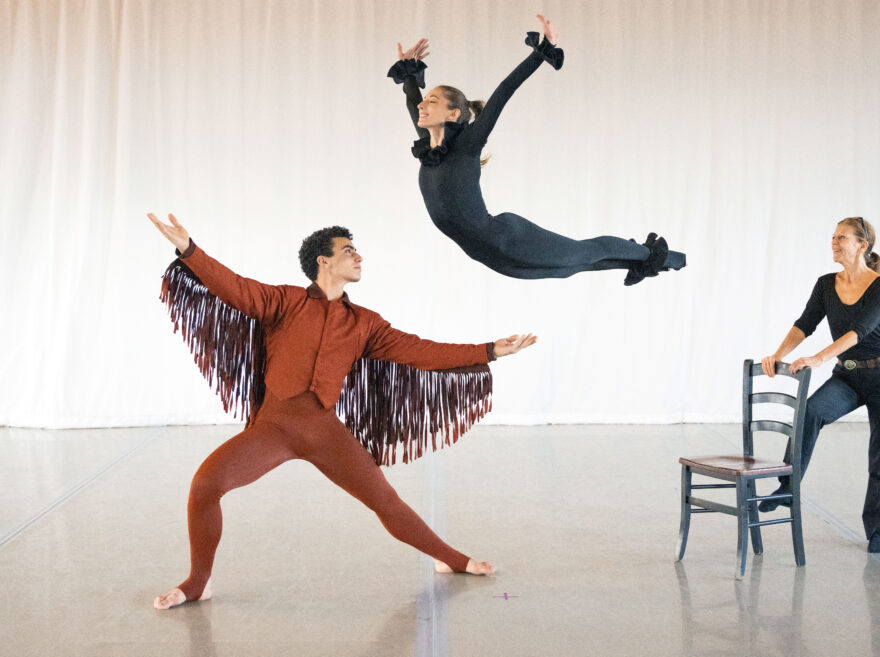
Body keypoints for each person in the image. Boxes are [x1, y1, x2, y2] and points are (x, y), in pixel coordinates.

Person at [147, 213, 537, 608]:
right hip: (273, 430)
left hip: (324, 432)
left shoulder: (364, 324)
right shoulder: (283, 301)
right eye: (348, 250)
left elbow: (420, 350)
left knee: (386, 502)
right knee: (205, 486)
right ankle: (199, 582)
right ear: (324, 261)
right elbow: (234, 287)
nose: (359, 257)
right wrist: (189, 250)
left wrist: (489, 351)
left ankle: (450, 560)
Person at [388, 15, 687, 285]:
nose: (422, 106)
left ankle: (667, 257)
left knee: (585, 252)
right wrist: (410, 72)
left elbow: (505, 90)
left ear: (454, 114)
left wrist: (542, 51)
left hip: (509, 241)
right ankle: (652, 261)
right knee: (576, 266)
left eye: (432, 101)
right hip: (490, 257)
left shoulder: (466, 146)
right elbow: (410, 98)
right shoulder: (430, 150)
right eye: (425, 101)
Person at [758, 217, 880, 554]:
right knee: (810, 412)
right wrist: (778, 355)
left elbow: (861, 330)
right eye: (833, 237)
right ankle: (786, 488)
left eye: (842, 237)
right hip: (849, 377)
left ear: (862, 245)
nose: (834, 242)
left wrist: (817, 359)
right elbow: (805, 324)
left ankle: (876, 533)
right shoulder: (826, 284)